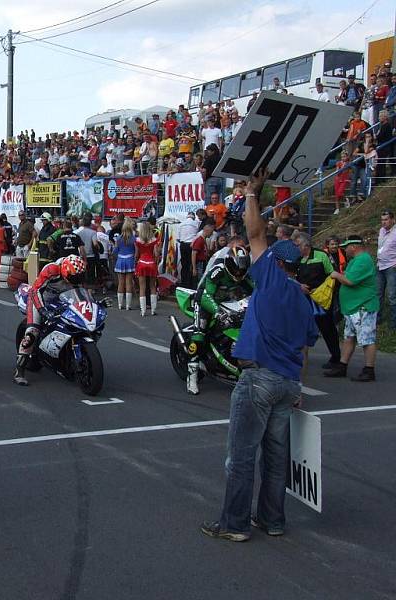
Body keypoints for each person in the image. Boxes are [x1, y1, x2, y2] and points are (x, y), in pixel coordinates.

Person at [201, 168, 318, 543]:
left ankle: (234, 524)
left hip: (259, 378)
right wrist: (298, 384)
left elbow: (254, 233)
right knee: (275, 457)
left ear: (277, 263)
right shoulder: (305, 299)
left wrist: (252, 193)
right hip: (287, 383)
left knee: (242, 456)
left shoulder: (270, 278)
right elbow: (303, 348)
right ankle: (272, 520)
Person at [187, 245, 253, 395]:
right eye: (237, 269)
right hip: (206, 301)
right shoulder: (218, 271)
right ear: (229, 263)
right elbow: (207, 294)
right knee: (199, 335)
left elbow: (255, 290)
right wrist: (218, 313)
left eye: (242, 270)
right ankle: (192, 376)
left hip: (228, 302)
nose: (239, 273)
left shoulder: (244, 274)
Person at [13, 254, 87, 386]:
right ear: (65, 270)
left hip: (62, 300)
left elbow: (81, 293)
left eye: (79, 278)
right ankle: (19, 371)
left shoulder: (76, 274)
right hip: (40, 300)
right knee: (32, 332)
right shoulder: (51, 270)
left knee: (77, 323)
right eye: (73, 278)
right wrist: (42, 310)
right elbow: (35, 291)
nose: (76, 280)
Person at [324, 235, 379, 381]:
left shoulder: (363, 260)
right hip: (352, 308)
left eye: (346, 247)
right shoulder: (355, 260)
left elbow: (350, 281)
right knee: (349, 337)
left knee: (367, 339)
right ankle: (342, 366)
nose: (344, 250)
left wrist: (335, 274)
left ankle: (369, 369)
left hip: (363, 306)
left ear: (353, 247)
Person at [293, 232, 342, 369]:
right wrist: (299, 286)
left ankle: (336, 357)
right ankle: (298, 358)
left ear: (306, 245)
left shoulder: (322, 255)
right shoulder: (296, 258)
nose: (296, 248)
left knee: (327, 328)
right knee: (299, 328)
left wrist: (324, 291)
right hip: (302, 298)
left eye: (297, 245)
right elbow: (291, 277)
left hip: (321, 299)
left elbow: (332, 274)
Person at [134, 221, 159, 317]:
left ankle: (143, 310)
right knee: (152, 286)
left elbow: (136, 254)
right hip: (151, 263)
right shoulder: (154, 240)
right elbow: (156, 254)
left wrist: (136, 261)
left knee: (142, 287)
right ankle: (153, 310)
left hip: (142, 262)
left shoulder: (138, 240)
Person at [377, 210, 396, 329]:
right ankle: (377, 320)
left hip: (391, 267)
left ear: (393, 220)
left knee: (391, 296)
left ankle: (393, 325)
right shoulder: (381, 231)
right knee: (377, 294)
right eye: (382, 220)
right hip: (379, 266)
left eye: (386, 219)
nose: (383, 222)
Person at [112, 219, 136, 309]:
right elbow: (135, 251)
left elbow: (115, 251)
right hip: (130, 260)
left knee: (121, 283)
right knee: (129, 282)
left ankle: (119, 304)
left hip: (120, 260)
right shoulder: (133, 239)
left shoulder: (118, 239)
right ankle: (128, 305)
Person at [177, 211, 200, 288]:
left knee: (184, 265)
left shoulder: (181, 224)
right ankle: (191, 284)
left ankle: (184, 283)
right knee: (192, 265)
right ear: (193, 217)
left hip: (183, 245)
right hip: (192, 245)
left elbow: (178, 238)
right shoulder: (196, 223)